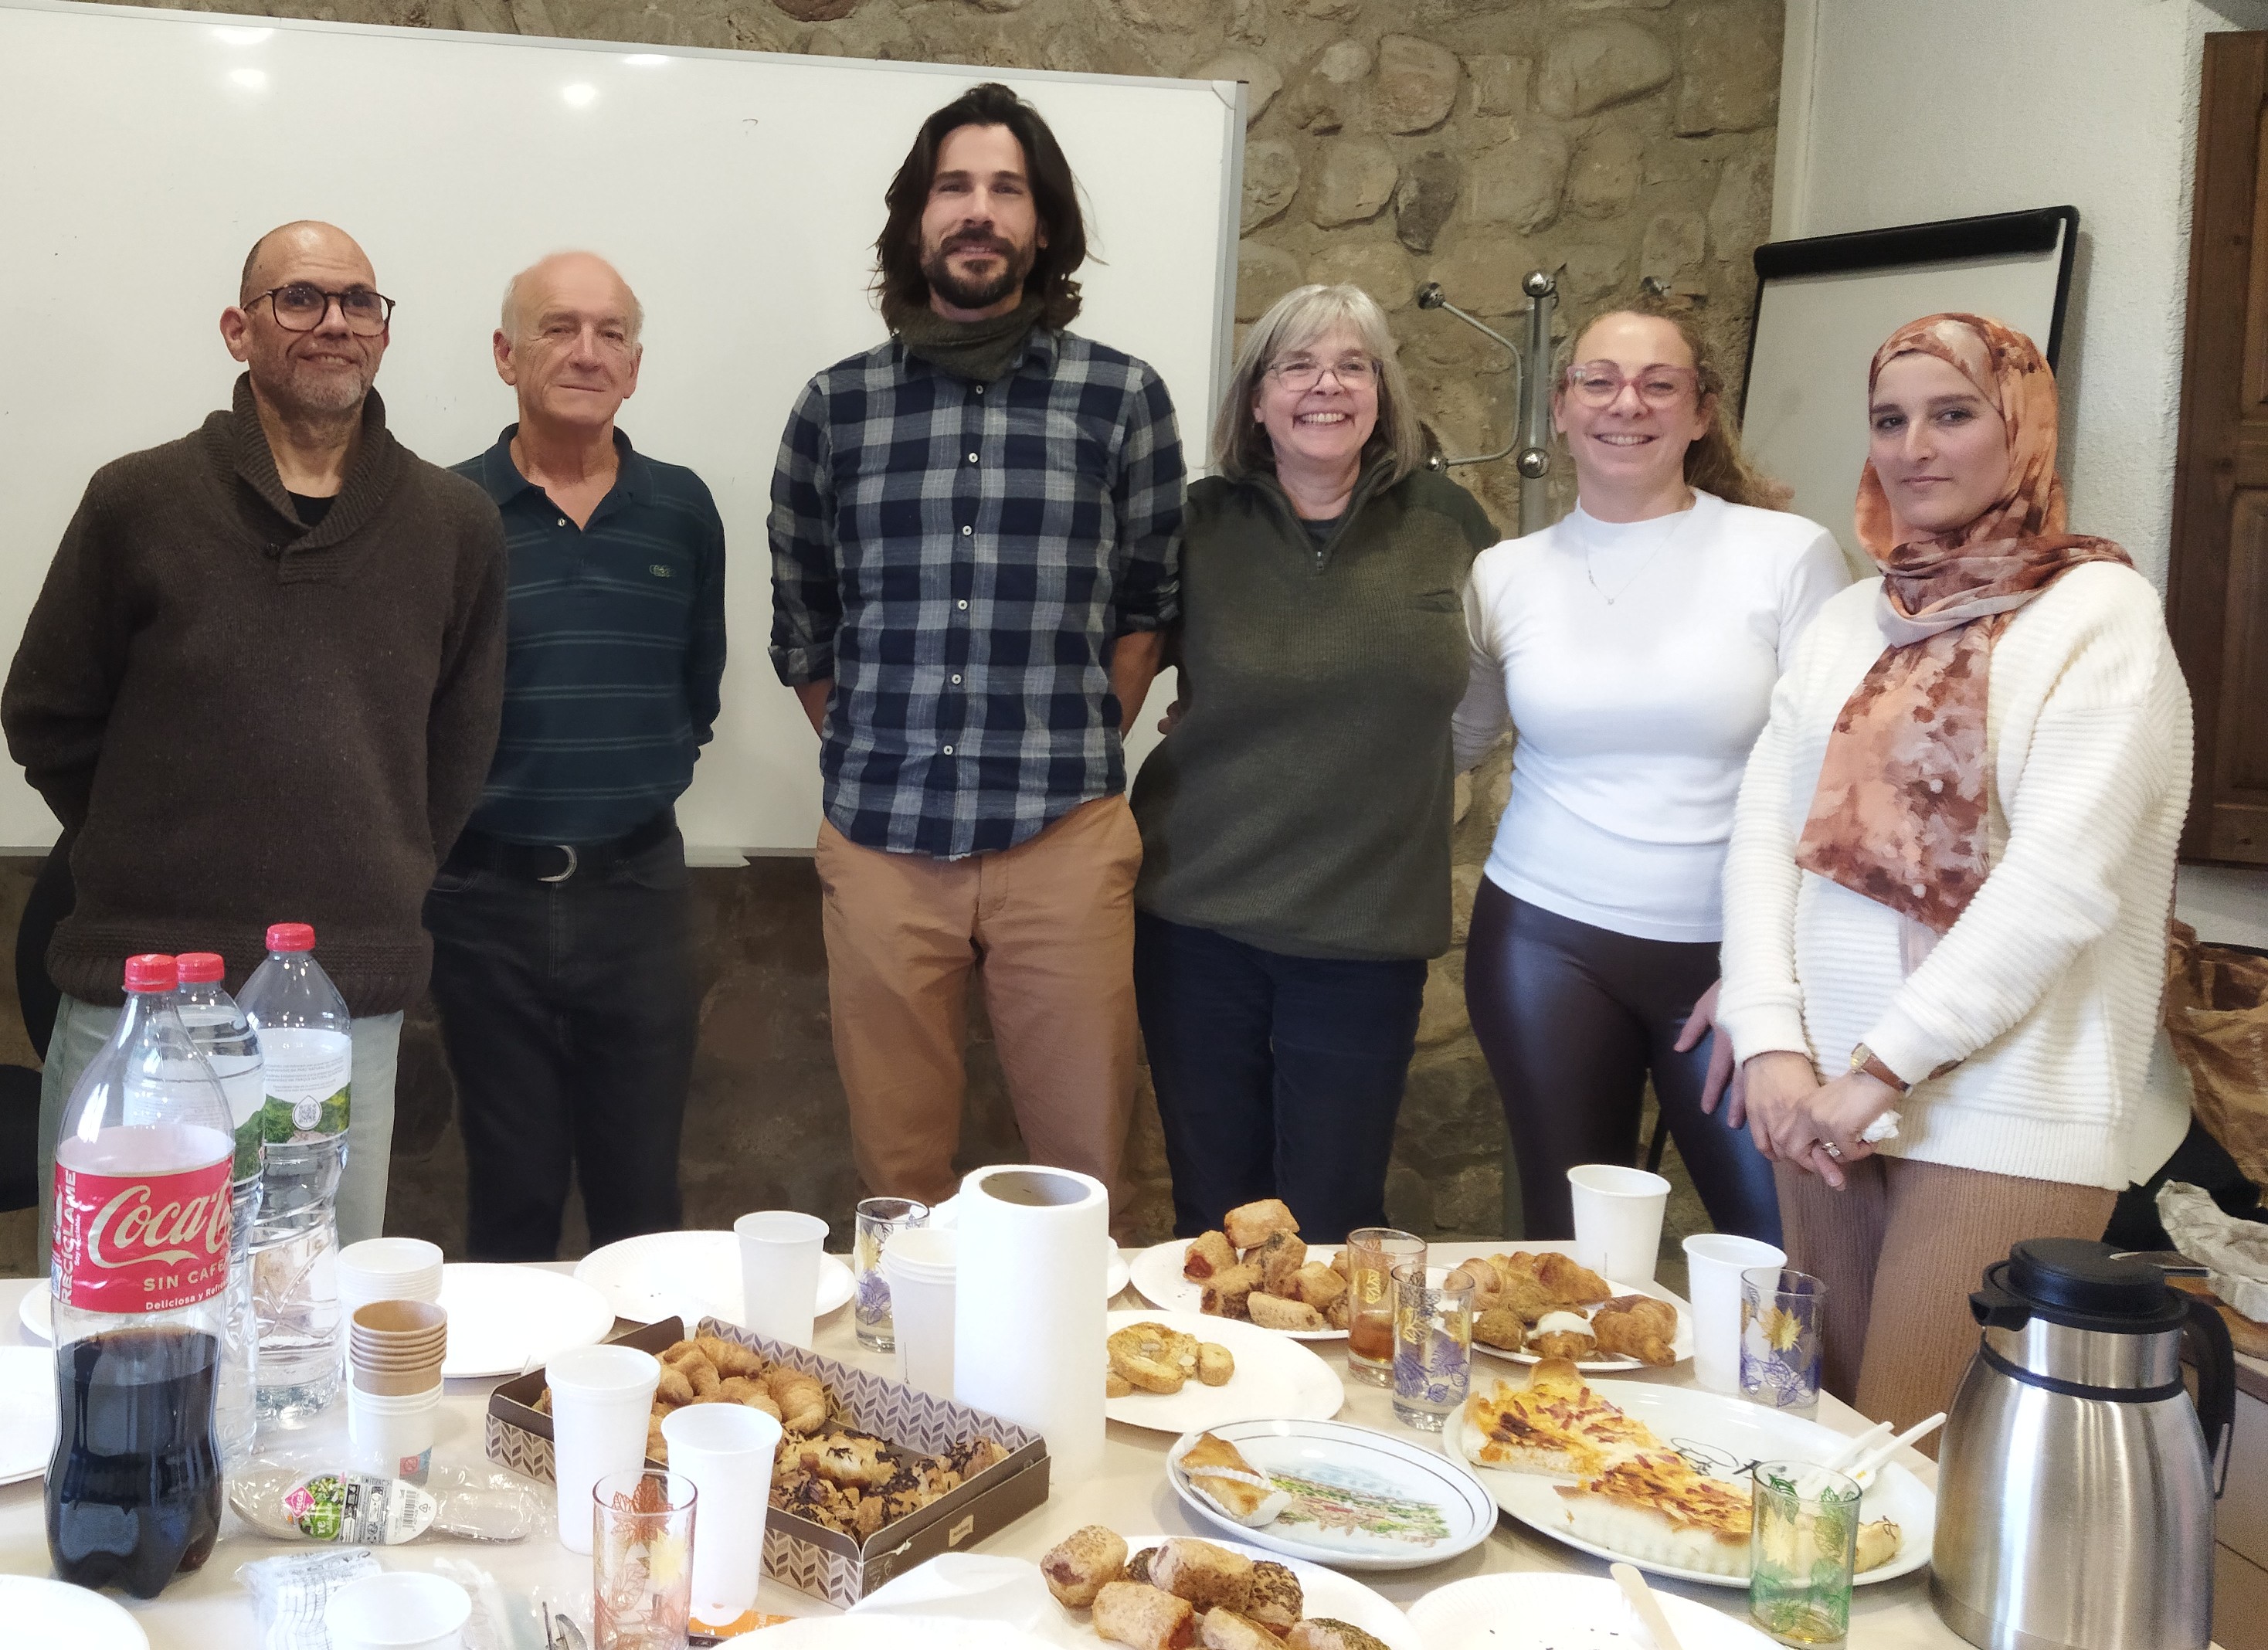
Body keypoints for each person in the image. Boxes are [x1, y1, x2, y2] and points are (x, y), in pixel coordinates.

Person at [1717, 314, 2193, 1431]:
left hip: (2001, 1104)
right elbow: (1762, 839)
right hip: (1821, 1101)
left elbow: (2059, 883)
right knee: (1800, 1435)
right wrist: (1770, 1044)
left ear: (2020, 427)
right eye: (1889, 420)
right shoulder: (1851, 619)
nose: (1914, 447)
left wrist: (1882, 1069)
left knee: (1902, 1463)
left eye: (1952, 414)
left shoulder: (2100, 616)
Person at [2, 219, 507, 1255]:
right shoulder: (138, 500)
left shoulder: (454, 524)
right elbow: (47, 711)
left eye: (359, 301)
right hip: (145, 992)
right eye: (300, 298)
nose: (335, 323)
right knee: (120, 1303)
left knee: (313, 1301)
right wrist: (153, 837)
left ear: (383, 332)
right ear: (239, 330)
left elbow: (459, 743)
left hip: (343, 996)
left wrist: (382, 862)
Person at [769, 83, 1183, 1225]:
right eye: (953, 187)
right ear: (917, 221)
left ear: (1042, 227)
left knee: (1082, 1180)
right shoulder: (837, 408)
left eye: (1007, 190)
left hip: (1064, 833)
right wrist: (875, 747)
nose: (979, 212)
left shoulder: (1122, 398)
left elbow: (1147, 605)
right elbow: (805, 619)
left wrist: (1071, 742)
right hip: (882, 839)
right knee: (897, 1185)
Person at [1454, 300, 1847, 1248]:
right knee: (1572, 1250)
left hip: (1732, 953)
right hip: (1542, 944)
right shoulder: (1503, 573)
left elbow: (1835, 776)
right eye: (1597, 381)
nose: (1624, 404)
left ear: (1701, 411)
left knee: (1781, 1243)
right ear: (1560, 408)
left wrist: (1767, 976)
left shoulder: (1786, 554)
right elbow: (1457, 739)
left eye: (1657, 384)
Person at [1128, 284, 1494, 1243]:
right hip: (1196, 926)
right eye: (1296, 366)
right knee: (1215, 1215)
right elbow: (1114, 670)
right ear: (1256, 400)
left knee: (1333, 1219)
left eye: (1351, 366)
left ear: (1381, 393)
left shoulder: (1447, 523)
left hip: (1362, 937)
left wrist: (1395, 759)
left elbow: (1490, 688)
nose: (1325, 386)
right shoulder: (1193, 525)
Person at [430, 252, 725, 1261]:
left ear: (634, 367)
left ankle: (641, 1369)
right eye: (558, 327)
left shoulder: (681, 510)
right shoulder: (445, 513)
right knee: (511, 1197)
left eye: (611, 334)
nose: (586, 353)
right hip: (483, 902)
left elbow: (696, 688)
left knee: (641, 1201)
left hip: (638, 895)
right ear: (506, 354)